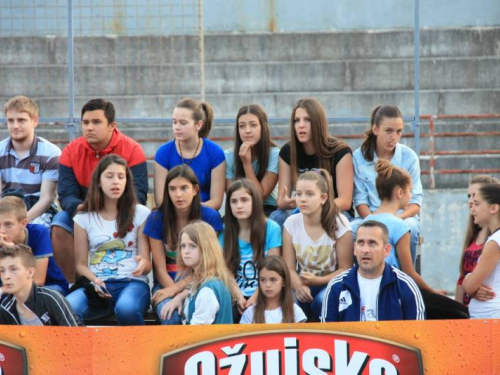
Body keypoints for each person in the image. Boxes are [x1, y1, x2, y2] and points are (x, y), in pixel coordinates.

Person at [52, 98, 149, 283]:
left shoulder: (132, 150)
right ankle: (72, 284)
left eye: (96, 122)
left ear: (112, 126)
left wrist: (111, 212)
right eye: (85, 122)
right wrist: (85, 210)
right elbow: (66, 195)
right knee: (59, 222)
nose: (89, 127)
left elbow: (140, 194)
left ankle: (127, 280)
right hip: (84, 212)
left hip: (122, 212)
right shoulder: (70, 152)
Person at [65, 155, 152, 326]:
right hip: (97, 285)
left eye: (121, 177)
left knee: (126, 309)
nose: (116, 182)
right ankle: (82, 352)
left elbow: (147, 264)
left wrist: (143, 264)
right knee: (68, 307)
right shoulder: (83, 218)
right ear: (98, 181)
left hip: (132, 283)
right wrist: (95, 280)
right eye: (109, 176)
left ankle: (136, 352)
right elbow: (80, 265)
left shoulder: (141, 213)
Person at [144, 165, 222, 324]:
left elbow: (209, 266)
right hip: (166, 284)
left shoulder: (209, 216)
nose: (178, 194)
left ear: (195, 190)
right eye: (172, 189)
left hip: (202, 283)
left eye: (184, 188)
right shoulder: (156, 218)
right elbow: (159, 269)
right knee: (171, 316)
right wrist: (172, 290)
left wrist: (180, 291)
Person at [353, 105, 423, 264]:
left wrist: (395, 219)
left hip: (403, 217)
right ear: (375, 129)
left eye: (399, 131)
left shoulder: (409, 157)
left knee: (410, 228)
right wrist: (375, 220)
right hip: (370, 216)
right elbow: (360, 201)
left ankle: (406, 275)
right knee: (350, 229)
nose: (394, 137)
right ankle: (359, 277)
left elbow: (415, 202)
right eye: (389, 131)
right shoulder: (359, 157)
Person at [364, 160, 446, 295]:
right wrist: (432, 291)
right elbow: (408, 272)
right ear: (400, 193)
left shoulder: (366, 221)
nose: (411, 195)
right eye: (410, 191)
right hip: (391, 291)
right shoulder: (400, 226)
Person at [283, 169, 353, 321]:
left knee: (322, 301)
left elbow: (346, 269)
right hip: (304, 283)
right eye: (298, 194)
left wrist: (318, 281)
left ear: (323, 198)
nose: (302, 199)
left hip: (333, 284)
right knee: (292, 302)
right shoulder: (291, 223)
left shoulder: (340, 224)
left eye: (309, 194)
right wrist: (299, 287)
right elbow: (288, 267)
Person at [270, 98, 354, 226]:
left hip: (334, 211)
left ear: (318, 122)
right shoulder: (288, 151)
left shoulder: (340, 151)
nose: (301, 125)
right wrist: (293, 202)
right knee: (277, 217)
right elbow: (281, 201)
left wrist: (314, 206)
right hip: (301, 210)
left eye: (307, 120)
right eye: (296, 120)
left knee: (340, 221)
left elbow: (345, 201)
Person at [321, 221, 425, 322]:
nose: (365, 250)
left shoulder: (405, 286)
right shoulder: (337, 286)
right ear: (354, 249)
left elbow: (417, 334)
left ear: (386, 250)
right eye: (361, 243)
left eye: (372, 243)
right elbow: (326, 336)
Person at [219, 179, 281, 316]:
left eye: (244, 200)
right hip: (236, 292)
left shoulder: (271, 228)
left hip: (266, 289)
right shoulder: (224, 232)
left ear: (255, 202)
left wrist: (255, 297)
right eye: (234, 201)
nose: (239, 206)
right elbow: (226, 272)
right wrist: (238, 296)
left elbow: (273, 269)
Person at [154, 98, 225, 210]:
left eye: (183, 123)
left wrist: (191, 210)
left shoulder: (215, 153)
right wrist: (181, 212)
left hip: (203, 214)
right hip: (172, 214)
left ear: (198, 125)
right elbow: (160, 200)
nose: (177, 127)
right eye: (174, 122)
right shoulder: (163, 153)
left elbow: (216, 201)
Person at [1, 96, 61, 227]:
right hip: (6, 210)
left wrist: (21, 222)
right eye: (10, 121)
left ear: (35, 121)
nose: (15, 126)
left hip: (38, 212)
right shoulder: (0, 151)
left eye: (21, 120)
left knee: (39, 229)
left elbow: (46, 199)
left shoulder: (51, 153)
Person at [0, 196, 68, 295]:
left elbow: (39, 280)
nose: (2, 230)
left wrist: (12, 250)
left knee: (29, 296)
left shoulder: (39, 233)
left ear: (23, 223)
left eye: (8, 224)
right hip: (11, 288)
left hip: (49, 286)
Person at [0, 244, 80, 326]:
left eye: (13, 269)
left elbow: (75, 335)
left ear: (30, 272)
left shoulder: (51, 298)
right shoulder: (5, 308)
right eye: (2, 270)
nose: (6, 276)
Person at [225, 104, 279, 216]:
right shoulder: (228, 156)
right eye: (242, 126)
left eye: (253, 125)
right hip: (239, 210)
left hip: (267, 209)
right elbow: (234, 197)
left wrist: (246, 163)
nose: (247, 131)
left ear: (263, 127)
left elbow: (259, 196)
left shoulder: (274, 154)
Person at [179, 221, 234, 325]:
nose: (186, 251)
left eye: (193, 246)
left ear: (207, 249)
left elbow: (197, 334)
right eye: (183, 246)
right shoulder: (211, 279)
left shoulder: (208, 289)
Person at [456, 175, 499, 306]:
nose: (471, 202)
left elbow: (469, 283)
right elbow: (463, 277)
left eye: (476, 200)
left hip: (489, 312)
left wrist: (470, 284)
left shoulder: (494, 240)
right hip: (471, 307)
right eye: (469, 196)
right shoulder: (474, 232)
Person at [240, 255, 306, 324]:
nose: (267, 285)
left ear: (284, 282)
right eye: (263, 280)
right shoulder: (250, 313)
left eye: (273, 280)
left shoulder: (295, 311)